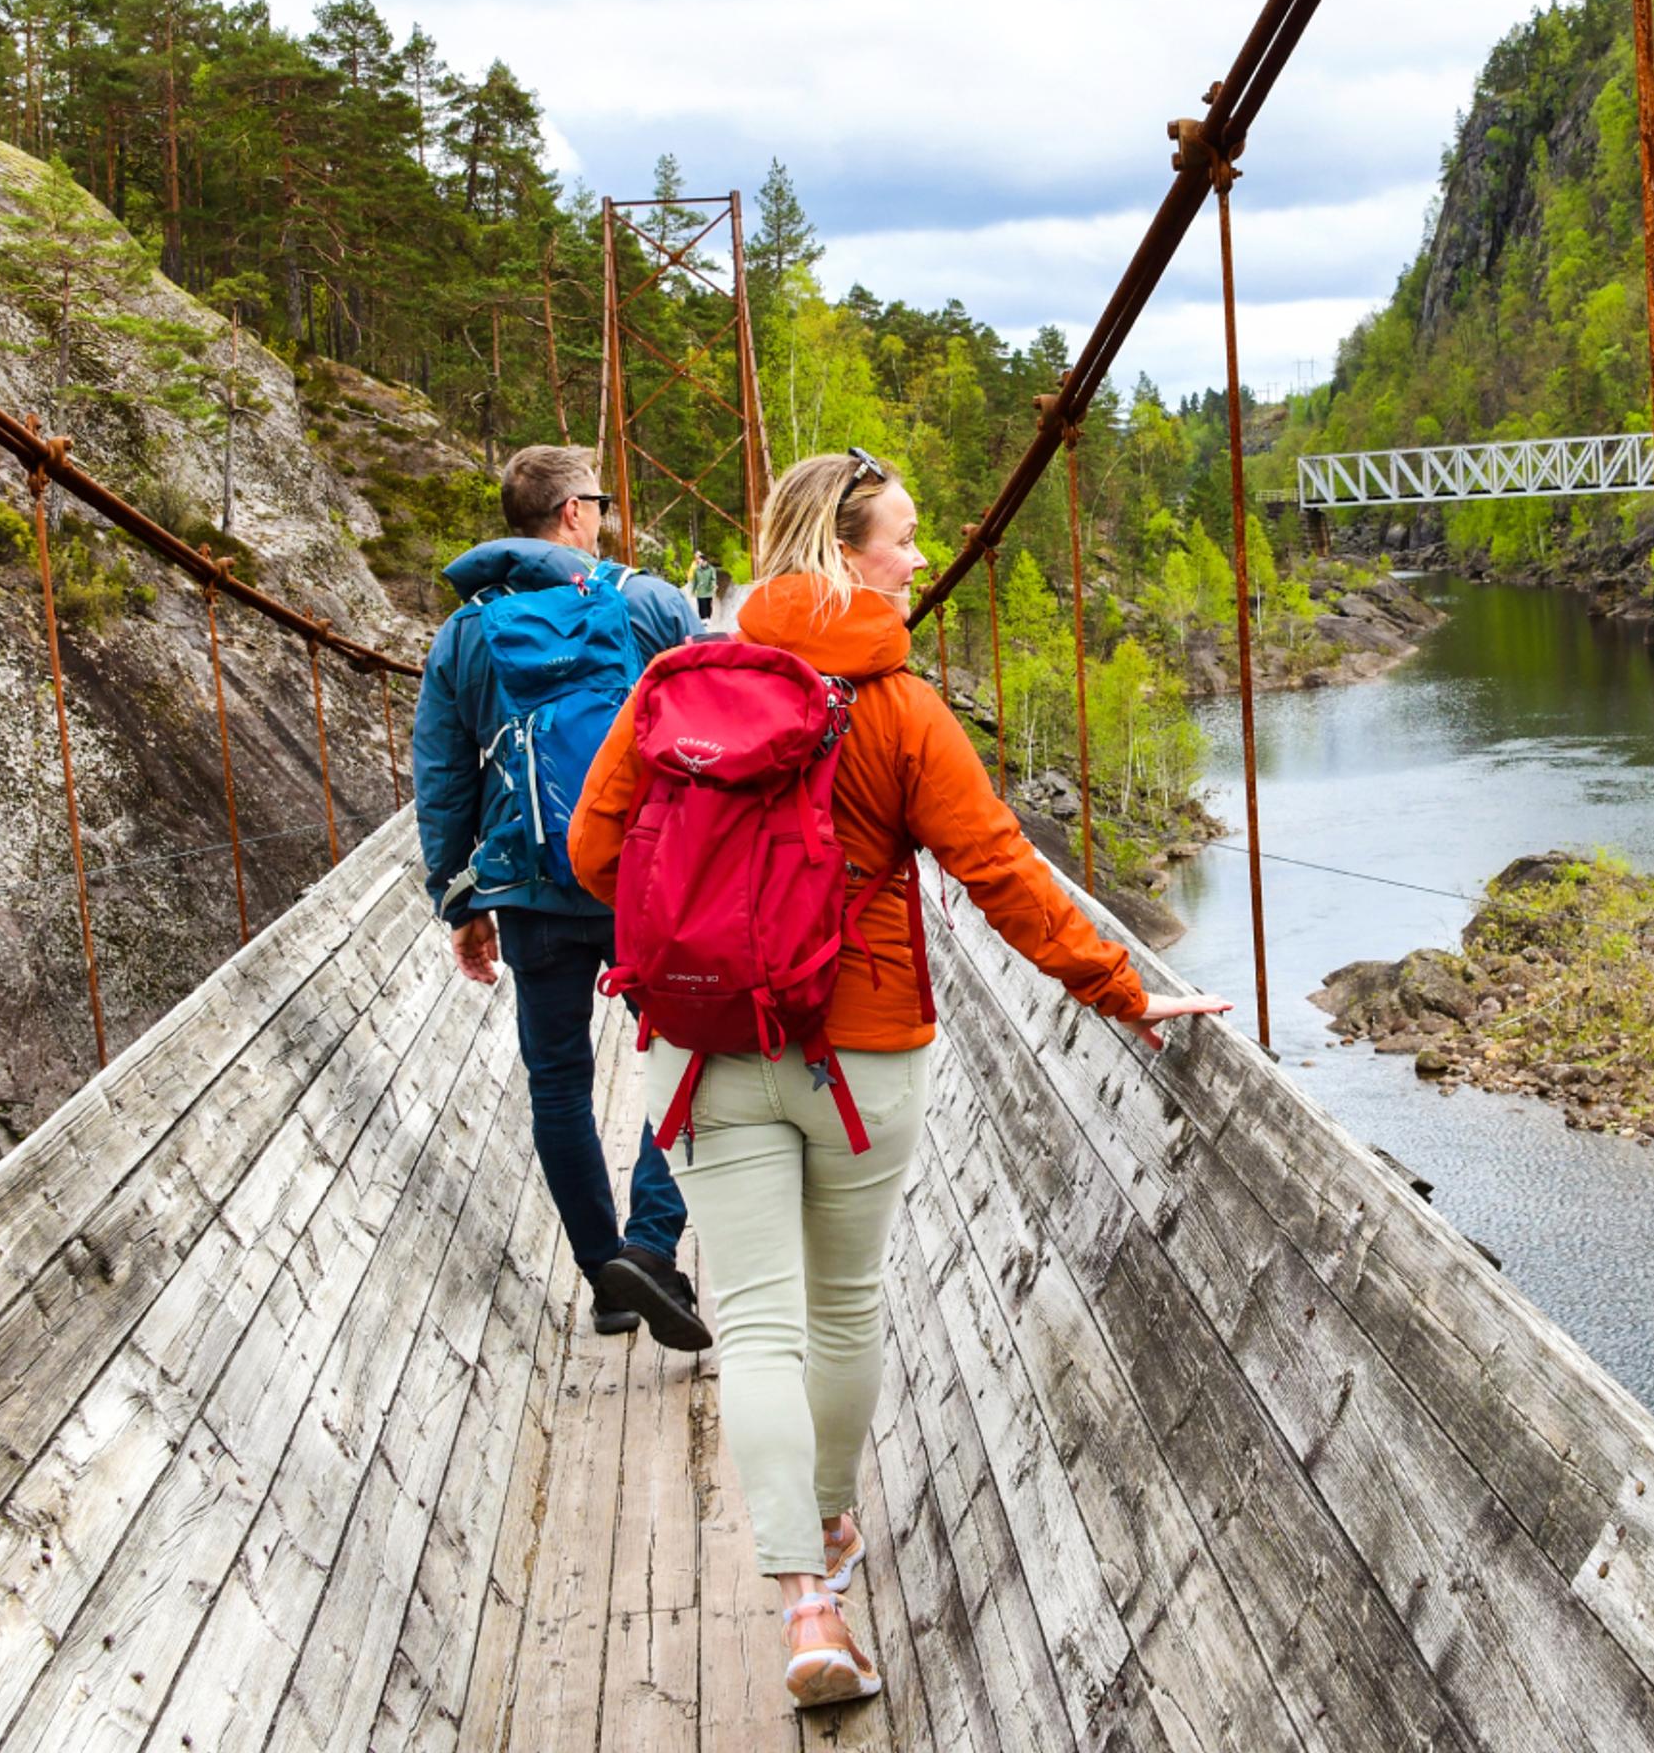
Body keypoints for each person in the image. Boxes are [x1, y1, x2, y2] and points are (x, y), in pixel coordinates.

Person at [570, 448, 1228, 1707]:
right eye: (906, 538)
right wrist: (1121, 986)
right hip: (861, 1045)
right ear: (847, 545)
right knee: (844, 1305)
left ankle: (807, 1610)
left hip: (699, 1053)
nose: (922, 559)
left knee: (756, 1321)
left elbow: (595, 858)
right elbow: (1002, 873)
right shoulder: (900, 704)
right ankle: (826, 1525)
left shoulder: (668, 684)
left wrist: (713, 923)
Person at [411, 444, 711, 1349]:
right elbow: (714, 718)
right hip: (645, 878)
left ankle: (606, 1277)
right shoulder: (648, 603)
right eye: (602, 501)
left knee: (559, 1081)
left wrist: (458, 901)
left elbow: (442, 775)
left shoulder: (465, 635)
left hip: (533, 891)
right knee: (692, 1058)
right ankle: (653, 1245)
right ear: (576, 513)